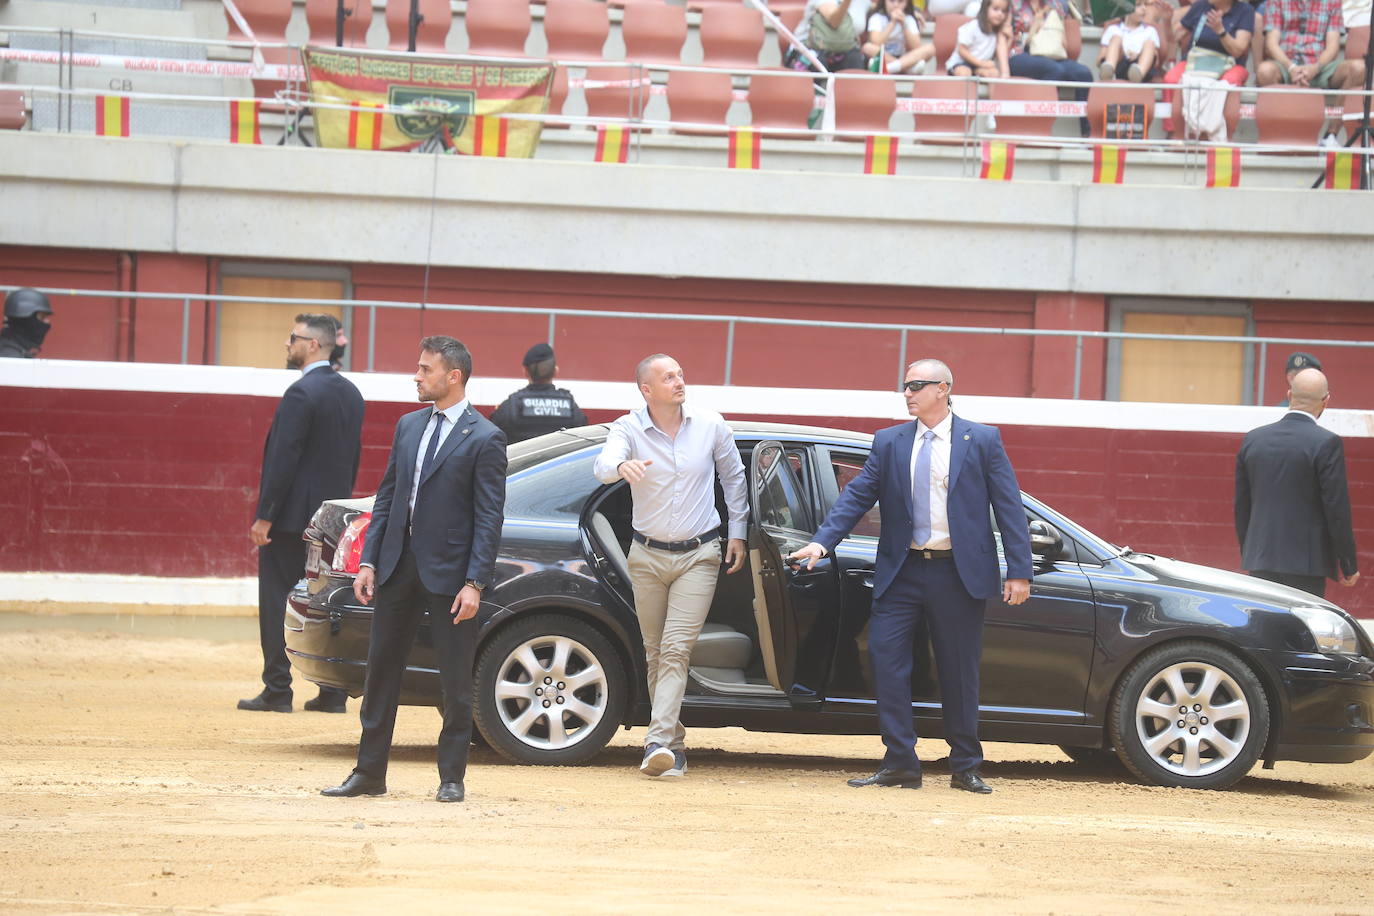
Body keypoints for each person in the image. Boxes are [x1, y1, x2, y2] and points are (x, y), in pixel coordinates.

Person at [788, 359, 1032, 794]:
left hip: (958, 574)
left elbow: (1008, 506)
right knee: (886, 661)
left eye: (917, 385)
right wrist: (822, 542)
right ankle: (901, 761)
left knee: (959, 671)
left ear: (944, 388)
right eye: (904, 386)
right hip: (902, 572)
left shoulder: (983, 439)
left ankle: (965, 766)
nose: (908, 393)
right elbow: (857, 495)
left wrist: (1019, 570)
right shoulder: (891, 441)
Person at [322, 336, 506, 803]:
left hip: (450, 577)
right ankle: (369, 773)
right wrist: (368, 559)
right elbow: (388, 498)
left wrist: (475, 582)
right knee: (380, 672)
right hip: (396, 569)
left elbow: (489, 518)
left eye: (425, 369)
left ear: (454, 377)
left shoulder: (485, 437)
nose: (417, 376)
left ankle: (451, 777)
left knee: (454, 678)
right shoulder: (408, 426)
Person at [592, 354, 748, 779]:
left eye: (680, 373)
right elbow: (603, 465)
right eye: (668, 377)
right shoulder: (628, 428)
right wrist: (620, 467)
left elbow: (734, 478)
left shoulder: (711, 424)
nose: (679, 381)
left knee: (677, 648)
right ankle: (674, 749)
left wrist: (738, 533)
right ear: (647, 390)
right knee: (655, 652)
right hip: (645, 556)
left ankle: (656, 742)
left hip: (699, 554)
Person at [240, 314, 365, 715]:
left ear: (313, 344)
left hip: (292, 519)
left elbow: (283, 460)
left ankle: (278, 688)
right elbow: (353, 458)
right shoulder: (351, 393)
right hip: (332, 520)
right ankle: (332, 693)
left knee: (278, 598)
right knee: (326, 601)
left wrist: (265, 516)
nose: (287, 344)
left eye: (293, 338)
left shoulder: (300, 394)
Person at [1235, 367, 1359, 599]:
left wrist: (1251, 551)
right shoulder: (1326, 443)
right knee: (1300, 631)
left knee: (1262, 629)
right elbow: (1336, 509)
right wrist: (1348, 562)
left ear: (1290, 395)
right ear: (1326, 401)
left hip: (1260, 557)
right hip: (1307, 564)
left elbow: (1242, 506)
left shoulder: (1254, 439)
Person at [1162, 0, 1254, 136]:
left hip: (1230, 64)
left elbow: (1238, 50)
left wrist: (1220, 31)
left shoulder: (1245, 11)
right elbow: (1173, 38)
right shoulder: (1200, 6)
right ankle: (1175, 132)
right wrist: (1167, 21)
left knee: (1230, 82)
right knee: (1171, 79)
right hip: (1195, 61)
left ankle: (1221, 134)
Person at [1008, 0, 1094, 132]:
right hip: (1020, 54)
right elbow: (1007, 38)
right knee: (1054, 70)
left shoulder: (1056, 5)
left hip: (1052, 55)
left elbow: (1064, 44)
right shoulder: (1013, 5)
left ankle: (1087, 134)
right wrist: (1036, 26)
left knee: (1083, 73)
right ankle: (1040, 127)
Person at [489, 342, 589, 444]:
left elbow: (492, 440)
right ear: (555, 371)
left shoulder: (509, 408)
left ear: (525, 372)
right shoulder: (571, 408)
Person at [1258, 0, 1365, 89]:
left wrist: (1315, 68)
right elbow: (1271, 44)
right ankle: (1278, 113)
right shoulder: (1276, 1)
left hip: (1321, 66)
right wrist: (1291, 67)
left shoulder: (1333, 1)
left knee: (1359, 68)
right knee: (1265, 71)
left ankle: (1336, 113)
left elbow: (1332, 47)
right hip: (1286, 64)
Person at [790, 0, 869, 71]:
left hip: (844, 49)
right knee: (817, 63)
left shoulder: (863, 2)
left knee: (856, 59)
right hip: (810, 47)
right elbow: (834, 22)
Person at [865, 0, 935, 73]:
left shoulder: (909, 19)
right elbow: (876, 42)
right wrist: (892, 23)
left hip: (905, 57)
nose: (896, 5)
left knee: (930, 48)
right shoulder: (876, 18)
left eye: (900, 1)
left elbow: (916, 46)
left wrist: (904, 24)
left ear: (906, 3)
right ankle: (906, 68)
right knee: (867, 47)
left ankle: (890, 68)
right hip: (884, 56)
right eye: (892, 1)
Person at [1097, 2, 1163, 81]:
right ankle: (1108, 72)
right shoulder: (1113, 29)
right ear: (1125, 10)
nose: (1144, 8)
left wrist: (1139, 55)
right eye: (1138, 5)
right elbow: (1100, 59)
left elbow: (1155, 60)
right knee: (1116, 39)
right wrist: (1121, 54)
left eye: (1145, 5)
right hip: (1119, 65)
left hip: (1141, 66)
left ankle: (1138, 74)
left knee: (1150, 43)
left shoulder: (1150, 31)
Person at [948, 0, 1012, 77]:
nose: (1000, 14)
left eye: (1003, 11)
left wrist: (1009, 39)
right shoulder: (973, 26)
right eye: (995, 9)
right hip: (961, 62)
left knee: (994, 73)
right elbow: (962, 51)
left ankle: (976, 72)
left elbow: (999, 55)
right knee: (964, 72)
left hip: (980, 66)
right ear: (985, 9)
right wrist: (982, 63)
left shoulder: (997, 32)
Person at [0, 288, 54, 358]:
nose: (47, 322)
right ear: (25, 319)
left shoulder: (14, 348)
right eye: (42, 317)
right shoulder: (10, 356)